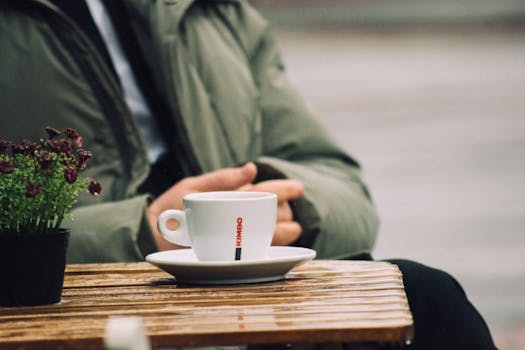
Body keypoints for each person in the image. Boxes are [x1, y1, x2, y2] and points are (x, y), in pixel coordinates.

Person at [0, 1, 496, 349]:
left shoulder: (218, 12)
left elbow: (341, 180)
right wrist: (136, 231)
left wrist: (289, 208)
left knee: (427, 297)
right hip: (82, 320)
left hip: (253, 310)